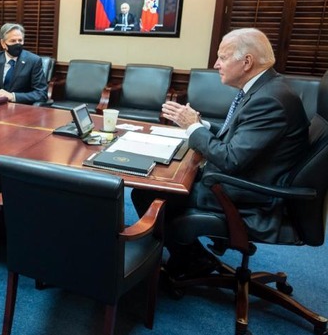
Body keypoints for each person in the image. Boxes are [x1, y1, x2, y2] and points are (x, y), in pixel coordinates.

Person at [131, 28, 309, 279]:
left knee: (150, 191)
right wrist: (200, 125)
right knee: (156, 186)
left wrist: (193, 127)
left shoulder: (269, 100)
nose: (216, 64)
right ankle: (191, 256)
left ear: (247, 62)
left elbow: (231, 158)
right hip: (248, 180)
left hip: (251, 196)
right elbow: (239, 138)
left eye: (223, 57)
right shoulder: (267, 89)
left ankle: (191, 260)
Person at [0, 23, 48, 104]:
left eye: (20, 40)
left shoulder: (33, 61)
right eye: (13, 41)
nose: (18, 44)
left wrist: (12, 96)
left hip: (21, 108)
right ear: (3, 43)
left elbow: (41, 94)